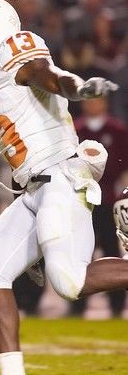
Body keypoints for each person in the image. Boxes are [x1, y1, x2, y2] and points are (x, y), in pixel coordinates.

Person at [0, 0, 124, 375]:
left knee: (69, 281)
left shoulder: (15, 53)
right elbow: (18, 152)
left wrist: (76, 87)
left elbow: (45, 75)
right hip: (32, 189)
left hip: (60, 175)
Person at [71, 97, 128, 317]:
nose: (92, 104)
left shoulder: (118, 130)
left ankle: (116, 304)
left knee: (112, 250)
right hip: (80, 201)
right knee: (78, 252)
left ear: (105, 102)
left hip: (107, 200)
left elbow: (124, 169)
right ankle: (76, 305)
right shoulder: (75, 130)